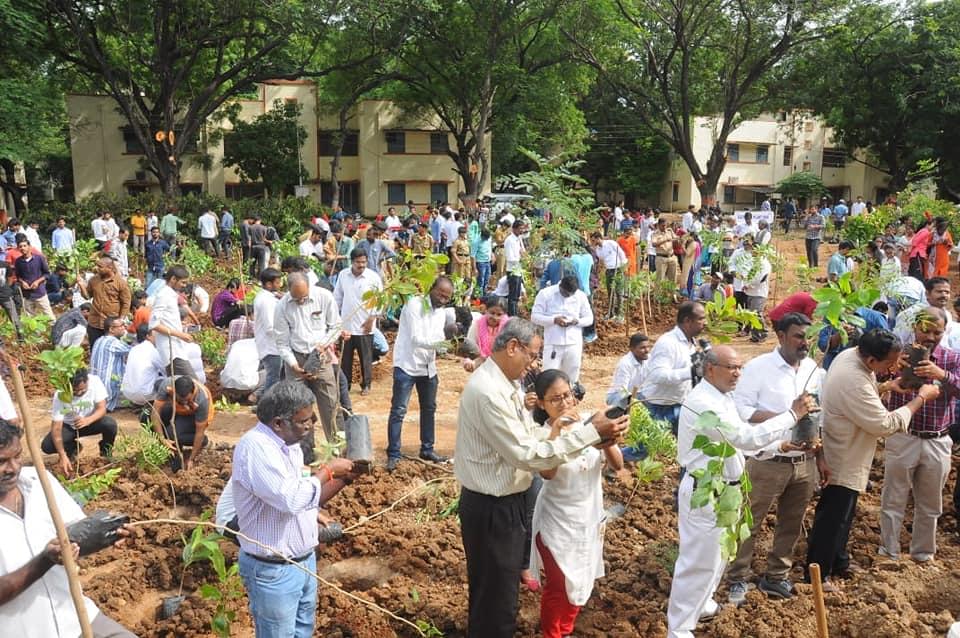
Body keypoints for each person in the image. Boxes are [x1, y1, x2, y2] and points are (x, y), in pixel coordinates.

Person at [454, 318, 629, 638]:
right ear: (512, 348)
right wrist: (590, 434)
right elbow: (525, 455)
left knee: (497, 595)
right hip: (492, 507)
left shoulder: (506, 387)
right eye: (533, 355)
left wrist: (588, 435)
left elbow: (530, 439)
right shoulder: (489, 393)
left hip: (504, 504)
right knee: (497, 600)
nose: (534, 364)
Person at [666, 346, 816, 638]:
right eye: (731, 367)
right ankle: (680, 628)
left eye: (739, 368)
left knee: (719, 555)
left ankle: (703, 603)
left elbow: (736, 442)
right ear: (710, 369)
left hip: (727, 491)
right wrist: (791, 416)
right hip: (706, 491)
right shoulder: (703, 403)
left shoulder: (722, 398)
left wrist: (779, 446)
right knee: (698, 562)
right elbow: (743, 437)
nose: (737, 373)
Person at [805, 329, 940, 590]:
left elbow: (865, 392)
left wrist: (886, 386)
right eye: (888, 364)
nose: (892, 368)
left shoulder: (850, 355)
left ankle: (838, 562)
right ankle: (817, 575)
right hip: (845, 453)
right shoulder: (853, 377)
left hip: (850, 448)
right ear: (870, 361)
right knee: (833, 516)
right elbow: (884, 424)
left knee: (844, 513)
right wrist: (921, 398)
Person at [232, 382, 355, 638]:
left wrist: (341, 480)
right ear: (279, 423)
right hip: (274, 569)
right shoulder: (257, 449)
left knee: (302, 631)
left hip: (302, 561)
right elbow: (289, 498)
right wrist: (328, 471)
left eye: (311, 419)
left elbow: (300, 493)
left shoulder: (290, 445)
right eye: (304, 421)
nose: (310, 426)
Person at [0, 420, 136, 637]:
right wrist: (45, 560)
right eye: (2, 461)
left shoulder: (39, 481)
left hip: (76, 618)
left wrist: (105, 534)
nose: (13, 468)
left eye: (17, 456)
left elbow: (73, 538)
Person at [726, 313, 824, 604]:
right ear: (781, 336)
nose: (804, 342)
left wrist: (820, 455)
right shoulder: (758, 368)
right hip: (767, 460)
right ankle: (737, 579)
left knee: (791, 523)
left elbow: (823, 414)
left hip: (803, 461)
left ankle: (776, 576)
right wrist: (788, 417)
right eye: (798, 336)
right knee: (749, 522)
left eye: (808, 336)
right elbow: (741, 410)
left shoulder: (814, 370)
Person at [529, 368, 623, 637]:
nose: (564, 403)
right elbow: (547, 473)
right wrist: (557, 430)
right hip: (557, 523)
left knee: (582, 581)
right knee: (559, 586)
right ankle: (552, 634)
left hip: (588, 519)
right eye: (555, 399)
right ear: (542, 403)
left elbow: (618, 465)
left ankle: (566, 630)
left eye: (567, 395)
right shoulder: (540, 434)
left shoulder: (590, 425)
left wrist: (605, 440)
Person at [879, 307, 958, 562]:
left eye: (937, 332)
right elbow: (873, 380)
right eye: (926, 330)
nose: (931, 337)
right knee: (893, 499)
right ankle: (888, 554)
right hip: (904, 435)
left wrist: (942, 375)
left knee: (930, 504)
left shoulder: (951, 359)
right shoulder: (896, 355)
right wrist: (892, 370)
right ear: (915, 327)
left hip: (937, 438)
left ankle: (923, 555)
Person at [385, 276, 456, 472]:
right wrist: (441, 345)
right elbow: (416, 338)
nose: (442, 299)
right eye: (440, 294)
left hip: (428, 367)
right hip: (407, 365)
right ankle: (393, 454)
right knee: (399, 410)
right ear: (431, 288)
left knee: (429, 408)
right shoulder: (413, 306)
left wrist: (447, 345)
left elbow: (439, 337)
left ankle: (427, 449)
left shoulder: (441, 313)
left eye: (447, 297)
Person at [274, 271, 342, 444]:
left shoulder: (324, 297)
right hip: (296, 358)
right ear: (289, 292)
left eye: (304, 297)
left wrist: (324, 345)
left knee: (330, 404)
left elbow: (335, 326)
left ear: (309, 287)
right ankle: (303, 452)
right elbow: (281, 342)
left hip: (320, 356)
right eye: (297, 299)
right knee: (296, 409)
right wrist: (293, 364)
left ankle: (337, 447)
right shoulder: (282, 306)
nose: (301, 301)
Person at [638, 301, 706, 434]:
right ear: (687, 321)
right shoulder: (668, 343)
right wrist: (690, 372)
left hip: (679, 404)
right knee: (641, 450)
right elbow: (657, 375)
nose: (705, 322)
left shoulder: (691, 344)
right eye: (701, 319)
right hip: (657, 406)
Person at [40, 368, 117, 476]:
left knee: (110, 424)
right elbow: (56, 428)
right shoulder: (61, 394)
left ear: (87, 381)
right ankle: (73, 449)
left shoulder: (95, 381)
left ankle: (106, 452)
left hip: (90, 422)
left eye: (83, 390)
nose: (79, 393)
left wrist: (88, 420)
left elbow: (102, 409)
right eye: (75, 391)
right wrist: (62, 456)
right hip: (70, 426)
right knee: (47, 446)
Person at [334, 248, 383, 396]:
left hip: (365, 326)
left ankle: (366, 384)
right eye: (358, 262)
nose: (361, 265)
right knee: (345, 359)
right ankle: (345, 385)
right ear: (352, 262)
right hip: (347, 325)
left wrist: (372, 318)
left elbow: (379, 300)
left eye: (363, 262)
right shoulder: (343, 275)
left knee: (366, 358)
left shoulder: (373, 277)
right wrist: (336, 320)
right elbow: (337, 297)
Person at [530, 275, 593, 384]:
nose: (567, 296)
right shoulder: (545, 294)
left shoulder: (581, 296)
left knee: (572, 377)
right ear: (560, 286)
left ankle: (570, 398)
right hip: (553, 343)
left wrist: (576, 321)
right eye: (565, 293)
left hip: (574, 343)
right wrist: (554, 320)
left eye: (570, 294)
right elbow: (535, 317)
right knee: (549, 377)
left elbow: (589, 319)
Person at [151, 375, 213, 472]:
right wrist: (162, 438)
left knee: (171, 433)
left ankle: (201, 442)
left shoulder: (202, 400)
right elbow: (155, 411)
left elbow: (199, 431)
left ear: (193, 393)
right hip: (177, 411)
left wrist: (191, 459)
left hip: (193, 417)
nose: (184, 402)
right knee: (146, 418)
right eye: (180, 400)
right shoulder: (167, 385)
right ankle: (166, 448)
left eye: (187, 400)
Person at [149, 265, 195, 377]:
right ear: (173, 279)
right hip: (171, 349)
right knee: (194, 385)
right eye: (183, 282)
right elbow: (154, 324)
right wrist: (181, 335)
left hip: (175, 347)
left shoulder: (170, 295)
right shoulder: (164, 295)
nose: (184, 286)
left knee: (179, 387)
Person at [77, 257, 131, 347]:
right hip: (94, 323)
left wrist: (121, 320)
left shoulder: (120, 283)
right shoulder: (93, 280)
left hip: (111, 325)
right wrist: (82, 286)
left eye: (100, 267)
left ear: (110, 268)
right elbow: (87, 296)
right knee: (95, 347)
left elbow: (126, 302)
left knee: (110, 348)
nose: (97, 268)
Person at [894, 277, 953, 346]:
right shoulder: (911, 313)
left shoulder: (947, 315)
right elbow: (898, 340)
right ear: (927, 294)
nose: (944, 295)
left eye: (947, 292)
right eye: (939, 292)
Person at [89, 316, 131, 412]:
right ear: (111, 329)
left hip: (94, 389)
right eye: (121, 326)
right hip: (107, 390)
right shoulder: (113, 343)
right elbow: (135, 351)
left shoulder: (99, 340)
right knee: (139, 395)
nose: (124, 328)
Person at [253, 268, 284, 398]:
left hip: (272, 345)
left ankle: (268, 404)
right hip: (271, 346)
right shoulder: (266, 301)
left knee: (277, 377)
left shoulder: (268, 297)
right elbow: (270, 327)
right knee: (273, 378)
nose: (280, 285)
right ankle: (266, 406)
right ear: (268, 284)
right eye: (277, 282)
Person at [121, 324, 165, 406]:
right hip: (144, 393)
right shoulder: (152, 350)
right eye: (156, 334)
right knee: (167, 381)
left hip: (127, 392)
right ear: (148, 336)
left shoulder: (133, 349)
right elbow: (166, 370)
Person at [463, 296, 509, 371]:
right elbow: (469, 346)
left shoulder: (508, 327)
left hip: (501, 362)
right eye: (492, 313)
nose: (495, 317)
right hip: (480, 360)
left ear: (504, 315)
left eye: (499, 314)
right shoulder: (477, 325)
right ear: (486, 310)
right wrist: (469, 361)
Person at [13, 236, 54, 320]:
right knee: (30, 319)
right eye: (20, 246)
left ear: (29, 247)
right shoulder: (18, 261)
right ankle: (35, 333)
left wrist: (37, 282)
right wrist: (22, 282)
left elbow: (47, 274)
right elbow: (18, 276)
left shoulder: (39, 258)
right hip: (26, 294)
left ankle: (55, 331)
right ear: (18, 248)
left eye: (24, 246)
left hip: (40, 292)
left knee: (50, 317)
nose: (22, 248)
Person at [590, 231, 627, 320]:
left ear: (598, 238)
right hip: (609, 270)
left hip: (617, 269)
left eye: (593, 240)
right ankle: (611, 313)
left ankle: (620, 314)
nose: (593, 242)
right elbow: (601, 261)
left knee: (619, 292)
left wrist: (623, 266)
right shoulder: (598, 250)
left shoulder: (611, 243)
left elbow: (621, 254)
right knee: (610, 292)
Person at [607, 333, 651, 405]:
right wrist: (635, 403)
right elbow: (621, 390)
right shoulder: (625, 364)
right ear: (632, 349)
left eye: (648, 347)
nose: (647, 350)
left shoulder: (649, 359)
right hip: (617, 396)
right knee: (623, 402)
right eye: (642, 348)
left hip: (637, 394)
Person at [504, 220, 527, 316]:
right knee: (513, 297)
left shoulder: (519, 239)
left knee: (517, 296)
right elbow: (510, 258)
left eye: (523, 228)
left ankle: (515, 314)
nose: (522, 231)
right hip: (512, 271)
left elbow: (523, 251)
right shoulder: (509, 240)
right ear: (514, 229)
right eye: (520, 229)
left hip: (518, 270)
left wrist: (524, 255)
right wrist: (521, 258)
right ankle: (512, 316)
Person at [651, 218, 679, 284]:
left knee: (673, 278)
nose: (664, 227)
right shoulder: (655, 234)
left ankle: (671, 293)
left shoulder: (669, 231)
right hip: (661, 258)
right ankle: (658, 294)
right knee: (660, 279)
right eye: (663, 225)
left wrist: (677, 239)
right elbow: (654, 244)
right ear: (658, 225)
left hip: (671, 257)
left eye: (666, 225)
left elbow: (676, 239)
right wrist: (665, 240)